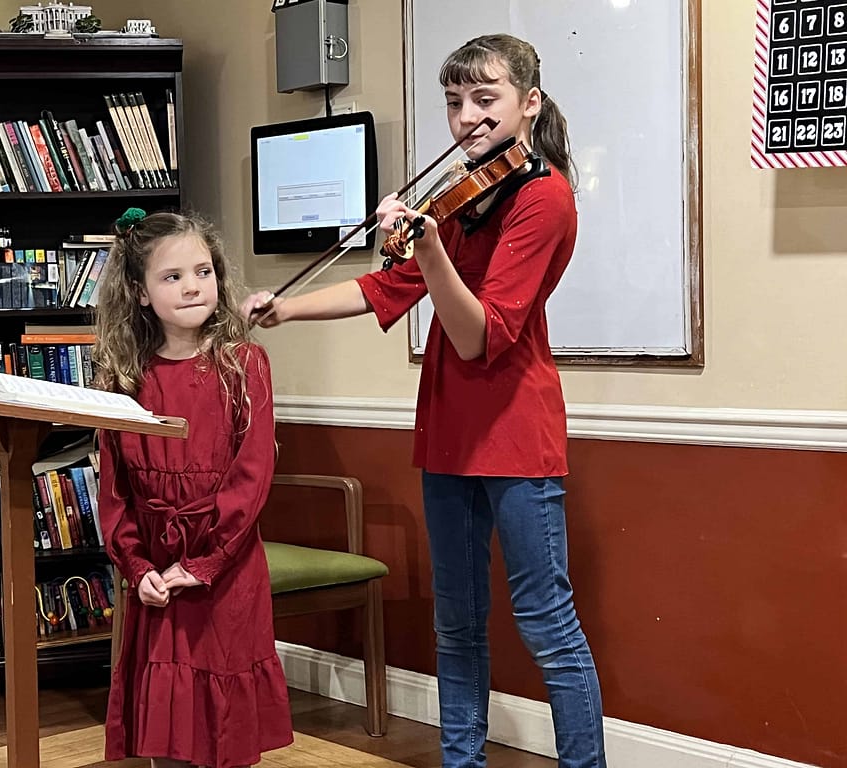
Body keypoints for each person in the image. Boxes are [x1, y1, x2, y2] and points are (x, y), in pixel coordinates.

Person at [242, 34, 606, 768]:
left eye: (485, 99)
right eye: (454, 102)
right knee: (457, 624)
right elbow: (389, 285)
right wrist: (286, 309)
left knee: (547, 623)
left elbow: (479, 335)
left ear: (529, 103)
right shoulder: (465, 197)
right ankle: (461, 761)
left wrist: (430, 247)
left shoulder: (544, 198)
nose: (467, 117)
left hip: (516, 434)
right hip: (447, 430)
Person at [95, 207, 293, 768]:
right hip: (157, 567)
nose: (192, 287)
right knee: (167, 728)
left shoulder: (244, 363)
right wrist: (138, 566)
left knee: (224, 726)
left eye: (203, 272)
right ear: (140, 292)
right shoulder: (123, 379)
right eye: (172, 276)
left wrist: (206, 562)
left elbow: (252, 476)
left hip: (224, 567)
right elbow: (115, 491)